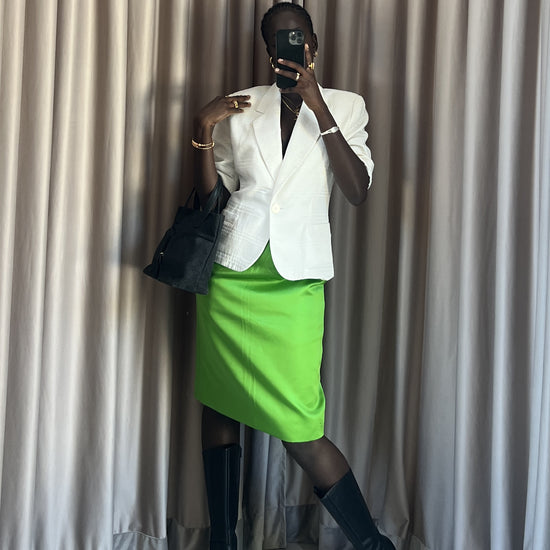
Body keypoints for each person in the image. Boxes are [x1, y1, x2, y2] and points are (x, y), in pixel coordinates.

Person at [192, 3, 395, 549]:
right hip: (232, 275)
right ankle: (223, 541)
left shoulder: (346, 106)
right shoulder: (242, 105)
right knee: (220, 402)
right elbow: (215, 197)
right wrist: (203, 129)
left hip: (295, 279)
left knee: (302, 426)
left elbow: (357, 190)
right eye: (279, 38)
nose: (291, 44)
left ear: (314, 44)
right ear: (268, 50)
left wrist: (316, 104)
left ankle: (374, 545)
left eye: (299, 35)